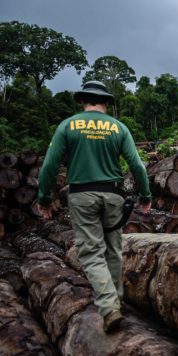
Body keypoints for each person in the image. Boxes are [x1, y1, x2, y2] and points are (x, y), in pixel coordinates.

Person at [36, 81, 152, 333]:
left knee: (90, 253)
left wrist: (44, 198)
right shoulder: (119, 127)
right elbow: (137, 165)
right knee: (113, 248)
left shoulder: (68, 125)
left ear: (83, 101)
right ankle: (116, 301)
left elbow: (49, 166)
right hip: (113, 195)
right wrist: (145, 194)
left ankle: (110, 307)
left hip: (82, 195)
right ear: (107, 102)